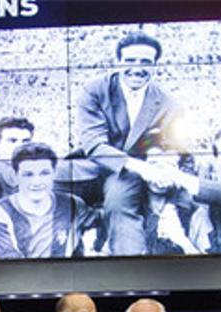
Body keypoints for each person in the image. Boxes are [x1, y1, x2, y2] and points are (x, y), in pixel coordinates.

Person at [67, 31, 184, 256]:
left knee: (119, 203)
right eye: (130, 61)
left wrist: (164, 160)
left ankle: (129, 270)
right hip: (93, 164)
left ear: (155, 66)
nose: (137, 68)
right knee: (42, 181)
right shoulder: (95, 90)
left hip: (128, 175)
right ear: (118, 62)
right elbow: (93, 144)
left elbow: (168, 144)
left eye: (145, 62)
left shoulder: (168, 104)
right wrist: (142, 167)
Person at [0, 142, 98, 260]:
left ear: (54, 174)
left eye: (44, 173)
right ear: (16, 175)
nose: (36, 182)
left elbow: (100, 223)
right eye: (28, 175)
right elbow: (11, 264)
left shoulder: (73, 204)